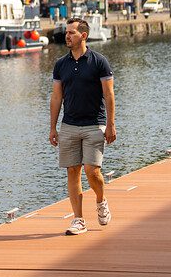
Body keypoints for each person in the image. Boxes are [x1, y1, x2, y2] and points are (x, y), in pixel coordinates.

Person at [49, 17, 116, 236]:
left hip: (94, 125)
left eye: (71, 33)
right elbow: (57, 97)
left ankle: (101, 200)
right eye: (66, 33)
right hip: (69, 126)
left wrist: (110, 125)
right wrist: (53, 128)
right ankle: (79, 220)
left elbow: (109, 95)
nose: (67, 36)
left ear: (83, 36)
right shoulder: (61, 65)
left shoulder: (99, 61)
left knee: (92, 171)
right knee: (73, 171)